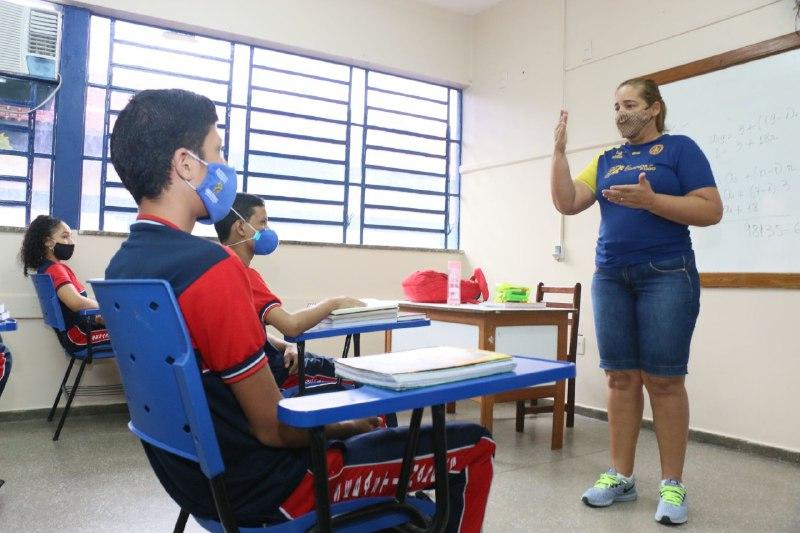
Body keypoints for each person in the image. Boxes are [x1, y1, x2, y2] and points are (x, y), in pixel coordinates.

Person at [106, 88, 494, 530]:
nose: (223, 166)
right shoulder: (210, 270)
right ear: (186, 164)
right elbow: (274, 428)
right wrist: (348, 425)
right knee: (474, 446)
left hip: (197, 485)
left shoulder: (124, 266)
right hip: (277, 489)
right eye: (217, 151)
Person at [549, 78, 722, 526]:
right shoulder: (608, 159)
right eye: (616, 105)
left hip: (666, 273)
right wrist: (558, 153)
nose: (620, 112)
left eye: (629, 104)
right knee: (621, 378)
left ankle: (672, 484)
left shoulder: (681, 149)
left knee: (664, 380)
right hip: (611, 276)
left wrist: (653, 201)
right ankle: (621, 476)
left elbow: (710, 210)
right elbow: (567, 202)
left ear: (654, 109)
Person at [213, 192, 361, 391]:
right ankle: (376, 422)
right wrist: (335, 303)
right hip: (277, 374)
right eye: (262, 222)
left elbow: (253, 333)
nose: (267, 230)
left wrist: (287, 346)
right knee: (359, 378)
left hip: (268, 363)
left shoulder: (218, 268)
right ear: (241, 227)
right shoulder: (243, 275)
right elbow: (291, 326)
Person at [19, 215, 111, 352]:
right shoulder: (55, 269)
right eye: (65, 236)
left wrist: (98, 316)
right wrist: (105, 309)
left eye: (71, 237)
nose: (70, 242)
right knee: (131, 334)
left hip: (78, 331)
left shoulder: (46, 268)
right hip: (79, 336)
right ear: (48, 242)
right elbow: (75, 302)